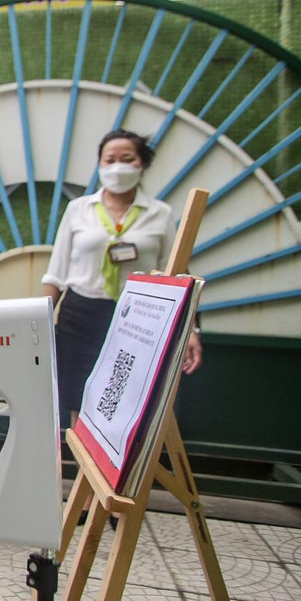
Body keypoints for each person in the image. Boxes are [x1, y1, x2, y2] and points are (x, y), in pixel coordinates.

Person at [43, 130, 203, 429]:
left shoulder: (160, 214)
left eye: (127, 159)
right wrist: (36, 322)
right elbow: (56, 272)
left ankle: (120, 473)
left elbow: (177, 274)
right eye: (109, 160)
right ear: (100, 165)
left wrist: (191, 329)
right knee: (80, 396)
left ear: (142, 165)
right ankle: (85, 472)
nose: (117, 167)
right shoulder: (78, 210)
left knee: (131, 402)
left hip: (140, 319)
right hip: (82, 316)